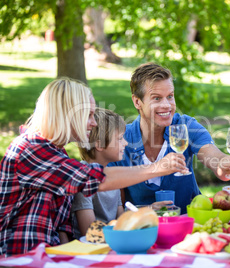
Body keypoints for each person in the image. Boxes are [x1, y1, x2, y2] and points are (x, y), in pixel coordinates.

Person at [0, 78, 187, 257]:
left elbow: (62, 225)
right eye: (88, 115)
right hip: (20, 256)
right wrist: (156, 168)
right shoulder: (32, 149)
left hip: (47, 254)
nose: (94, 122)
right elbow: (97, 179)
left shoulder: (56, 152)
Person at [108, 63, 230, 214]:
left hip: (191, 226)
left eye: (170, 96)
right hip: (142, 230)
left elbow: (211, 155)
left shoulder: (186, 125)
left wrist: (224, 164)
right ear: (137, 102)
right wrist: (147, 211)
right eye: (157, 98)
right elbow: (115, 211)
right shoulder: (121, 140)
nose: (167, 105)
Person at [71, 108, 172, 239]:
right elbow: (89, 231)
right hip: (88, 250)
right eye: (119, 139)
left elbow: (121, 219)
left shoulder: (115, 176)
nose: (125, 143)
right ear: (100, 144)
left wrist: (147, 210)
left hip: (111, 242)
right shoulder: (83, 178)